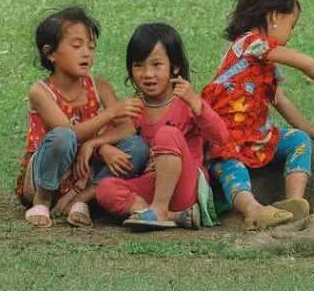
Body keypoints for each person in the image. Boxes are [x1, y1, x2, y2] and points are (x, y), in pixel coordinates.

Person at [203, 0, 314, 228]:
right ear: (274, 16)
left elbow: (279, 99)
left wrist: (312, 131)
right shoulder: (250, 44)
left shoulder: (260, 62)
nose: (290, 35)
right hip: (226, 136)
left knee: (298, 140)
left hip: (256, 136)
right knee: (230, 166)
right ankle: (252, 210)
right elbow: (306, 62)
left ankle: (294, 203)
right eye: (292, 25)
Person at [93, 22, 230, 231]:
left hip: (185, 186)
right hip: (148, 184)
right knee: (105, 189)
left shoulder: (186, 102)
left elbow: (221, 136)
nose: (148, 74)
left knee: (167, 134)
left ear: (174, 67)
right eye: (139, 65)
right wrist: (104, 149)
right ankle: (171, 216)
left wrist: (197, 105)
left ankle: (158, 209)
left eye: (157, 65)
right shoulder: (133, 107)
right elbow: (111, 137)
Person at [17, 7, 144, 228]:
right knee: (62, 137)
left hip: (84, 170)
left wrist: (95, 143)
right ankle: (43, 200)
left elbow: (127, 129)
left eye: (91, 47)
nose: (86, 53)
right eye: (76, 46)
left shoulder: (100, 87)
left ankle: (81, 200)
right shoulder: (41, 92)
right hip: (45, 174)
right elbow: (70, 134)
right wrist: (109, 120)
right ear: (51, 53)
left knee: (138, 147)